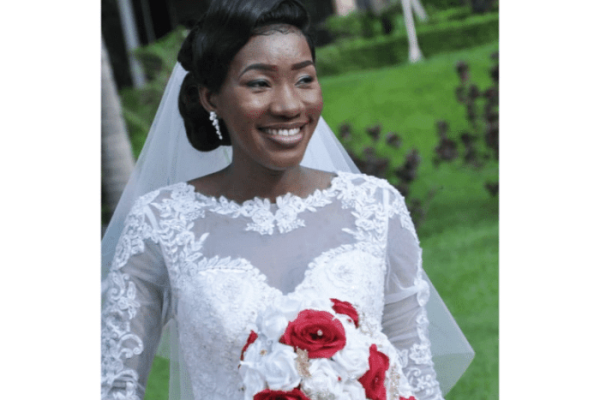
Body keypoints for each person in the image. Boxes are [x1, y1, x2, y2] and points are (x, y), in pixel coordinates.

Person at [101, 1, 474, 400]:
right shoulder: (162, 222)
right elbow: (114, 386)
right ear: (211, 98)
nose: (289, 106)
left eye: (304, 79)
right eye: (259, 83)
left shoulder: (376, 208)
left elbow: (415, 379)